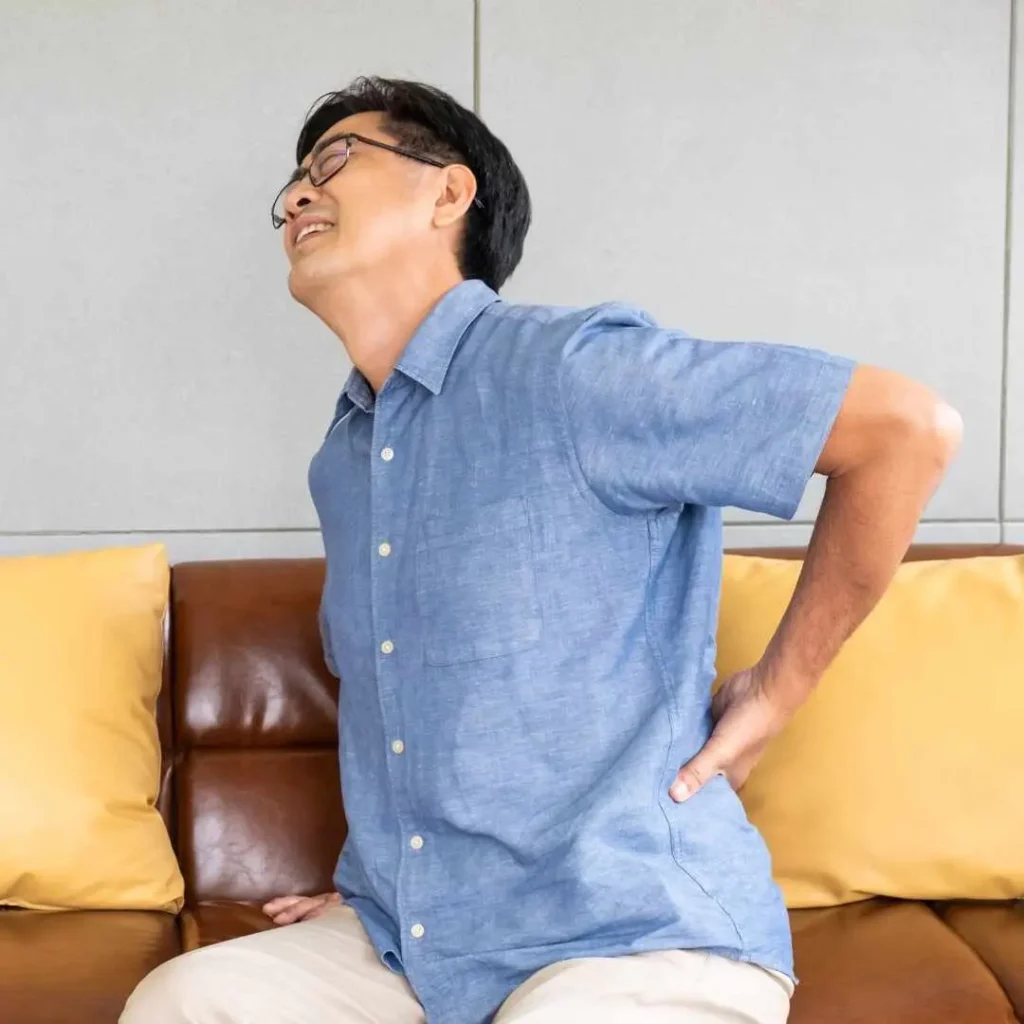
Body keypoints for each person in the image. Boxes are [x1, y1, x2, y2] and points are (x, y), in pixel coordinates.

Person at [122, 76, 962, 1024]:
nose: (299, 197)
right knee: (187, 1001)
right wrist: (389, 890)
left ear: (448, 193)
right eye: (291, 188)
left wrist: (774, 694)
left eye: (334, 162)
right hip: (414, 942)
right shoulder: (346, 456)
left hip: (631, 938)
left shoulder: (576, 370)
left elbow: (904, 432)